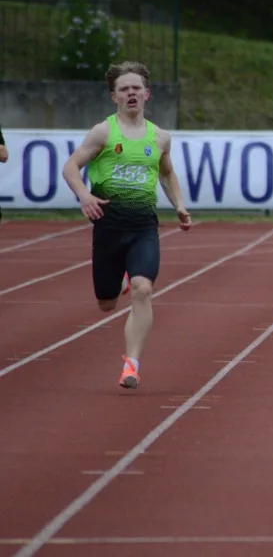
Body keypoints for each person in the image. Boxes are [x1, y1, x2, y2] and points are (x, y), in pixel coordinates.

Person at [61, 61, 192, 389]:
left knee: (143, 290)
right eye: (124, 89)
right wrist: (84, 196)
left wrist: (179, 204)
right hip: (108, 228)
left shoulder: (160, 136)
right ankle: (119, 278)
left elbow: (165, 172)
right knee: (106, 304)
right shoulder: (104, 132)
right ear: (113, 97)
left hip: (144, 228)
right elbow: (71, 167)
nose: (131, 93)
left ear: (146, 94)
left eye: (136, 88)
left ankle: (131, 364)